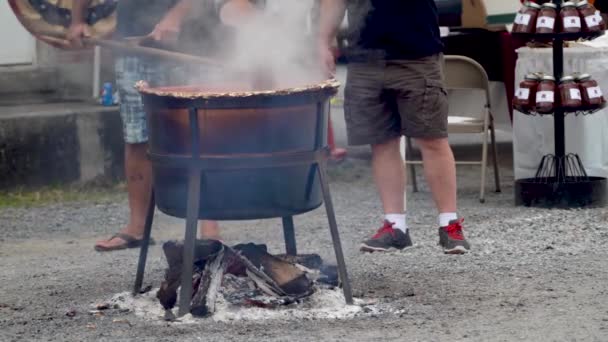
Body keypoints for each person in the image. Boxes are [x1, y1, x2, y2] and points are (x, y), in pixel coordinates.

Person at [317, 0, 471, 254]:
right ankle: (395, 226)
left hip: (418, 55)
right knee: (382, 142)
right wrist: (323, 42)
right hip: (364, 60)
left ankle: (449, 225)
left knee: (432, 139)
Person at [68, 0, 221, 251]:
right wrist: (77, 20)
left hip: (190, 47)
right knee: (136, 135)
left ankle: (209, 230)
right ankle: (137, 229)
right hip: (133, 45)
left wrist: (176, 16)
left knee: (199, 135)